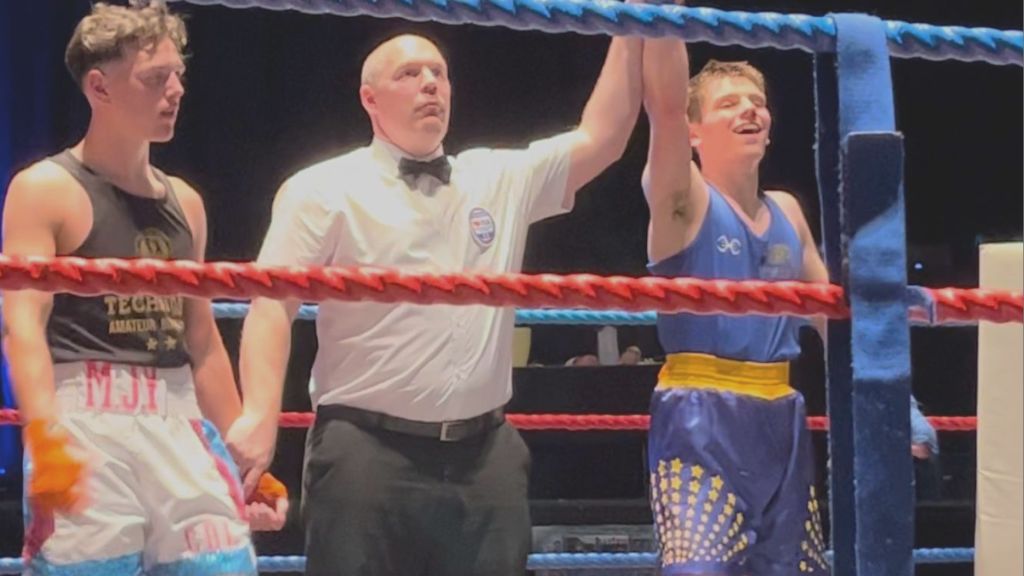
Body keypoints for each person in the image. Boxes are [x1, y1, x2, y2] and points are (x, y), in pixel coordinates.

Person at [226, 31, 644, 575]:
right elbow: (271, 305)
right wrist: (260, 412)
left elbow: (604, 137)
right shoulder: (322, 189)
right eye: (409, 74)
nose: (429, 83)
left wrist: (633, 25)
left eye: (439, 73)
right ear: (369, 99)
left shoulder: (497, 178)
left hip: (485, 456)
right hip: (365, 455)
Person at [1, 3, 285, 574]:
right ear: (100, 87)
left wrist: (240, 454)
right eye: (155, 78)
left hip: (178, 421)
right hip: (84, 419)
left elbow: (201, 342)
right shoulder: (45, 189)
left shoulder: (187, 203)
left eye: (178, 74)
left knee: (224, 565)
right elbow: (20, 324)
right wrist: (44, 433)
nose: (175, 89)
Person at [639, 28, 832, 576]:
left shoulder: (789, 212)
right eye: (729, 103)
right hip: (700, 421)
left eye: (758, 103)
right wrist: (660, 24)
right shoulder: (685, 200)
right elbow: (665, 107)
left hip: (782, 420)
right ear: (696, 131)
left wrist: (896, 401)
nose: (750, 111)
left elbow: (832, 319)